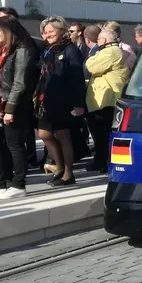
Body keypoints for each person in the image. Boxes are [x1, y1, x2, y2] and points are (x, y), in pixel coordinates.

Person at [0, 16, 39, 198]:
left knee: (15, 144)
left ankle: (19, 184)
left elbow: (19, 82)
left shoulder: (22, 50)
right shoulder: (2, 50)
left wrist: (10, 109)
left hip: (15, 103)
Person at [35, 17, 85, 187]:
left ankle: (68, 174)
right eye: (45, 32)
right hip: (46, 99)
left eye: (51, 31)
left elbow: (77, 78)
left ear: (61, 31)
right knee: (44, 134)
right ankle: (59, 167)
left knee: (63, 135)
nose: (47, 35)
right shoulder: (47, 50)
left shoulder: (70, 50)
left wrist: (79, 103)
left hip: (64, 99)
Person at [84, 24, 129, 173]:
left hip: (107, 100)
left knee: (103, 134)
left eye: (98, 40)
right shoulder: (112, 51)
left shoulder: (110, 52)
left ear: (103, 40)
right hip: (105, 98)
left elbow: (92, 66)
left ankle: (103, 162)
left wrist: (92, 57)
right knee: (101, 134)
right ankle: (101, 161)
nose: (97, 42)